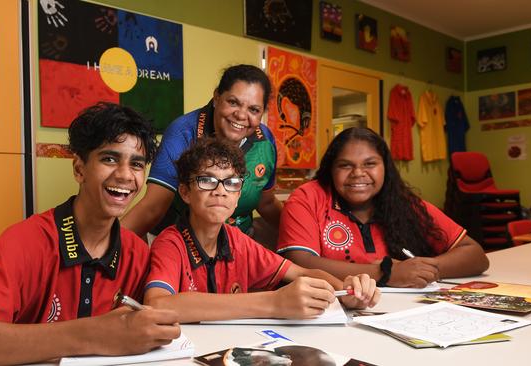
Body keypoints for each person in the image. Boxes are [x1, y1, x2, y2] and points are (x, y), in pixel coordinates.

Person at [0, 102, 181, 366]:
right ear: (79, 169)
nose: (126, 175)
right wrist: (94, 334)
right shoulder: (25, 241)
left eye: (137, 164)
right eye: (109, 158)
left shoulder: (137, 252)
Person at [144, 138, 379, 323]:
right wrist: (273, 303)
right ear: (185, 192)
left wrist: (346, 289)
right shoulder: (170, 243)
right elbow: (157, 305)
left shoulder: (237, 240)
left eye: (231, 183)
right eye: (207, 180)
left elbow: (302, 273)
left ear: (238, 196)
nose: (220, 191)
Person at [277, 127, 489, 288]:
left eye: (370, 164)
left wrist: (420, 270)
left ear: (385, 168)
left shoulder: (401, 201)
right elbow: (300, 262)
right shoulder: (307, 197)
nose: (358, 173)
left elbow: (475, 255)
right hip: (330, 313)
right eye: (345, 165)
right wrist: (385, 273)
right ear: (330, 170)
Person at [122, 64, 282, 242]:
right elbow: (153, 208)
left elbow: (266, 203)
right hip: (177, 245)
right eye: (233, 102)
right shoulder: (182, 133)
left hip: (237, 245)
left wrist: (304, 233)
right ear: (216, 97)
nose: (241, 115)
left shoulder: (265, 141)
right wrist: (102, 247)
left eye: (254, 109)